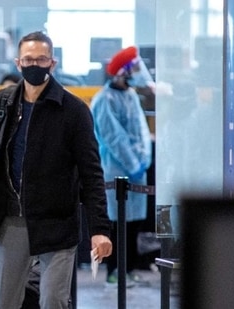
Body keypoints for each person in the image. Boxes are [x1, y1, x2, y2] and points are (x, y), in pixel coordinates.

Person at [0, 31, 113, 309]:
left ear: (53, 63)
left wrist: (99, 229)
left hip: (57, 220)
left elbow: (91, 173)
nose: (34, 65)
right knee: (4, 301)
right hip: (11, 217)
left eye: (41, 59)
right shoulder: (4, 101)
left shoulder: (73, 110)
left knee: (53, 300)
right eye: (28, 59)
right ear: (17, 62)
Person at [89, 46, 153, 287]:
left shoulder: (131, 95)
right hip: (116, 169)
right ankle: (114, 271)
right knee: (116, 225)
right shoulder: (104, 99)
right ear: (121, 73)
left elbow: (141, 130)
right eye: (133, 68)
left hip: (137, 169)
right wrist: (133, 162)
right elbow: (113, 138)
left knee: (134, 222)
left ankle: (129, 269)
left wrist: (143, 159)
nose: (137, 72)